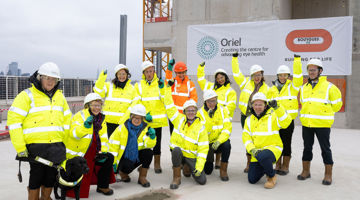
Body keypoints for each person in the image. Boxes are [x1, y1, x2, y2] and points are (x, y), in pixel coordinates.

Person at [7, 62, 72, 200]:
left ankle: (46, 198)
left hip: (56, 145)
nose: (50, 81)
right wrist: (20, 147)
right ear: (39, 77)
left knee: (50, 176)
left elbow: (67, 121)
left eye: (53, 79)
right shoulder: (26, 96)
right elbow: (14, 122)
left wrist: (64, 144)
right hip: (36, 146)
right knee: (36, 175)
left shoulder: (60, 97)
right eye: (47, 78)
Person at [297, 58, 342, 185]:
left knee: (325, 149)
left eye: (314, 70)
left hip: (322, 125)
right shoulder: (304, 88)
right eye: (309, 70)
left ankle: (328, 174)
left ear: (320, 71)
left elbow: (337, 106)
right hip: (307, 124)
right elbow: (303, 104)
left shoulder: (329, 87)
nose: (311, 72)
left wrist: (323, 113)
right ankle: (306, 171)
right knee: (307, 148)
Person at [64, 93, 115, 198]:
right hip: (81, 150)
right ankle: (72, 190)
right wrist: (85, 127)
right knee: (85, 163)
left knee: (109, 158)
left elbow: (104, 138)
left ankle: (102, 186)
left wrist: (103, 152)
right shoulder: (80, 116)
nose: (97, 108)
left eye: (99, 105)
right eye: (94, 105)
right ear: (87, 105)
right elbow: (74, 134)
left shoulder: (102, 118)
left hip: (95, 149)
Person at [163, 83, 209, 189]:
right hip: (179, 154)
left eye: (193, 110)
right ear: (184, 111)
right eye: (188, 110)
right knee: (176, 151)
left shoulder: (201, 127)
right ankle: (176, 177)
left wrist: (199, 166)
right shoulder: (178, 119)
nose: (191, 112)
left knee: (202, 180)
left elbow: (203, 149)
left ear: (196, 112)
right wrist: (167, 89)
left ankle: (187, 166)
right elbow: (169, 106)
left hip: (191, 156)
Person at [242, 92, 291, 189]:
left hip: (273, 148)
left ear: (265, 105)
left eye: (260, 104)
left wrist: (277, 108)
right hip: (257, 152)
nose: (258, 107)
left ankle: (271, 176)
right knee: (252, 179)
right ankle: (266, 166)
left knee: (263, 156)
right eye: (255, 104)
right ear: (252, 105)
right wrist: (252, 149)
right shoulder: (248, 119)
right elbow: (246, 137)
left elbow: (286, 122)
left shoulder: (273, 116)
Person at [231, 52, 269, 173]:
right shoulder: (245, 83)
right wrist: (234, 59)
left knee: (260, 139)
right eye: (254, 75)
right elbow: (236, 73)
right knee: (248, 139)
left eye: (259, 74)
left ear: (262, 75)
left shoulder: (267, 88)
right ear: (251, 76)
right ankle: (249, 163)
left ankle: (260, 161)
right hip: (246, 117)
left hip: (260, 118)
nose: (257, 77)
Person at [267, 55, 303, 175]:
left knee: (286, 142)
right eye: (281, 75)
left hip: (287, 121)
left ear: (288, 76)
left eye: (285, 75)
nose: (283, 77)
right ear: (277, 76)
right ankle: (277, 164)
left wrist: (297, 61)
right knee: (276, 142)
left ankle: (285, 165)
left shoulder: (292, 87)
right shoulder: (271, 89)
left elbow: (298, 77)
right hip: (275, 121)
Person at [197, 61, 236, 169]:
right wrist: (201, 68)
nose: (220, 80)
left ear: (225, 77)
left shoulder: (230, 91)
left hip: (222, 118)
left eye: (222, 77)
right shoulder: (210, 86)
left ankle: (219, 162)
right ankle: (210, 160)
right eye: (218, 78)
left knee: (222, 140)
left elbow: (231, 106)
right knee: (211, 138)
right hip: (210, 116)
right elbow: (200, 80)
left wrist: (220, 114)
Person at [109, 104, 156, 188]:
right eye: (135, 117)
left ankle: (142, 177)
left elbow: (148, 145)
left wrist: (152, 137)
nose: (137, 120)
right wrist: (114, 163)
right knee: (128, 165)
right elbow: (113, 147)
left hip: (136, 156)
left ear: (142, 119)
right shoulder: (121, 129)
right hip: (123, 158)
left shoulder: (145, 129)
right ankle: (122, 172)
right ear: (131, 117)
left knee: (148, 152)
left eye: (139, 118)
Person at [135, 61, 168, 173]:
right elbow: (137, 102)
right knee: (144, 142)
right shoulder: (139, 86)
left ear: (154, 71)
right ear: (143, 73)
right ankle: (145, 164)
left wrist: (163, 88)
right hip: (144, 121)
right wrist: (144, 114)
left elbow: (165, 99)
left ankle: (157, 164)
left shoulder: (159, 84)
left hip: (157, 120)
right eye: (147, 72)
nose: (149, 73)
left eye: (151, 71)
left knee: (157, 143)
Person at [93, 64, 139, 138]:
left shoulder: (132, 89)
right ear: (116, 75)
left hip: (123, 123)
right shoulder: (109, 86)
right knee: (109, 145)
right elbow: (98, 91)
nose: (122, 76)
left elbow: (134, 105)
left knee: (120, 146)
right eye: (119, 74)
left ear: (127, 75)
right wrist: (101, 78)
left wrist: (125, 118)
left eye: (123, 74)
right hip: (108, 122)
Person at [198, 90, 232, 181]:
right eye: (209, 101)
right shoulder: (200, 113)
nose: (212, 103)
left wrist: (219, 141)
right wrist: (209, 118)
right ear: (205, 101)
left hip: (219, 142)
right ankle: (209, 161)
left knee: (227, 145)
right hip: (207, 144)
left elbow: (227, 129)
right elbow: (201, 133)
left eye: (214, 101)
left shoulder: (223, 110)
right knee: (208, 171)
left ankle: (223, 170)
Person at [165, 59, 198, 134]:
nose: (181, 74)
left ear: (185, 72)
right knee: (174, 137)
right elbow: (167, 81)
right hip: (174, 116)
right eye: (179, 73)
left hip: (185, 116)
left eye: (183, 72)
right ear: (176, 73)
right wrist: (169, 69)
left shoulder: (190, 84)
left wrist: (189, 112)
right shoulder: (173, 82)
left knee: (186, 136)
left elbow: (194, 98)